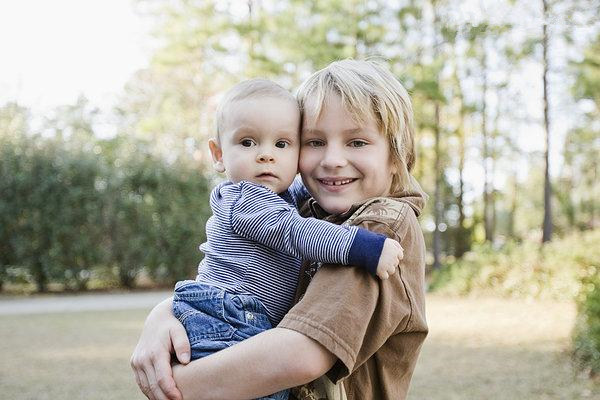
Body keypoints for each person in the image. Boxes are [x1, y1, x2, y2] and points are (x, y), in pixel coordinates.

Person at [131, 59, 428, 400]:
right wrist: (164, 314)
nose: (332, 159)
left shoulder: (382, 225)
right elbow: (234, 277)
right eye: (315, 142)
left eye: (357, 142)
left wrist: (175, 386)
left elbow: (301, 354)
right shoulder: (306, 211)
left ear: (397, 155)